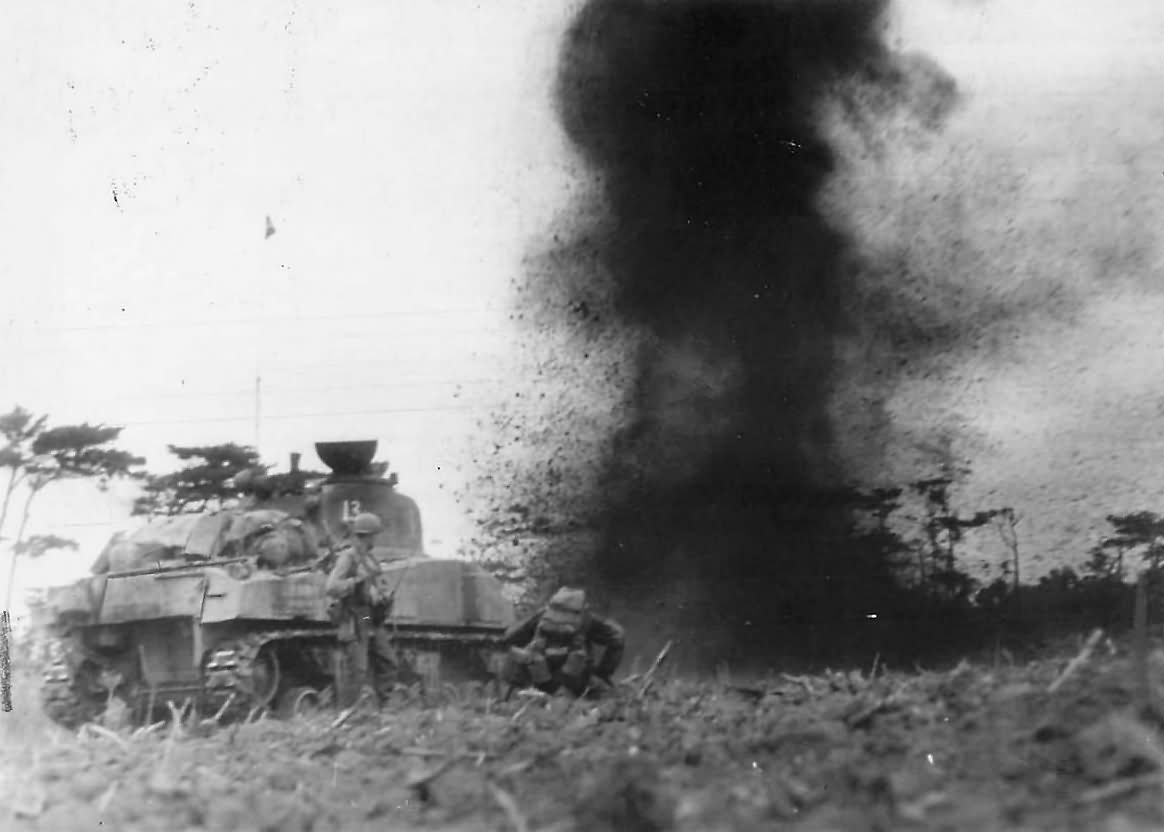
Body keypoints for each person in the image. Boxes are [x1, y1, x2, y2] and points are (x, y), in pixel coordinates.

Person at [325, 512, 397, 705]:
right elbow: (331, 586)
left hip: (369, 617)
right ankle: (348, 712)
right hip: (354, 616)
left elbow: (380, 583)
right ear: (364, 536)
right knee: (358, 668)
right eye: (373, 535)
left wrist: (382, 595)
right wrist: (356, 581)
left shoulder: (371, 559)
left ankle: (384, 706)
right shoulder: (348, 558)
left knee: (388, 661)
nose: (374, 539)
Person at [501, 587, 625, 697]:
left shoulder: (543, 615)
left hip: (539, 678)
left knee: (527, 655)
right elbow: (618, 636)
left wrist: (524, 659)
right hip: (574, 681)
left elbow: (509, 638)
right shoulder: (586, 619)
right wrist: (602, 673)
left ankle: (526, 690)